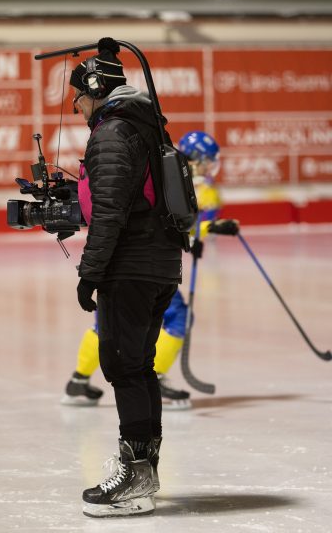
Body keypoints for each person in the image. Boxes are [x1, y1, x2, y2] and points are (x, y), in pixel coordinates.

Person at [71, 37, 184, 517]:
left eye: (78, 97)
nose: (77, 107)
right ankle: (144, 472)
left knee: (123, 366)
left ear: (96, 90)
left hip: (131, 267)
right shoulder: (147, 125)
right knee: (138, 367)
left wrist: (89, 273)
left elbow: (110, 213)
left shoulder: (113, 132)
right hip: (159, 264)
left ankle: (135, 478)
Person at [62, 130, 239, 410]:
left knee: (107, 323)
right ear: (196, 160)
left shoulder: (159, 167)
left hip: (118, 255)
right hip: (142, 260)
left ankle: (78, 381)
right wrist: (209, 228)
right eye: (207, 162)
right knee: (177, 317)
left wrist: (195, 238)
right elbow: (172, 222)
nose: (209, 168)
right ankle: (154, 380)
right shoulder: (175, 177)